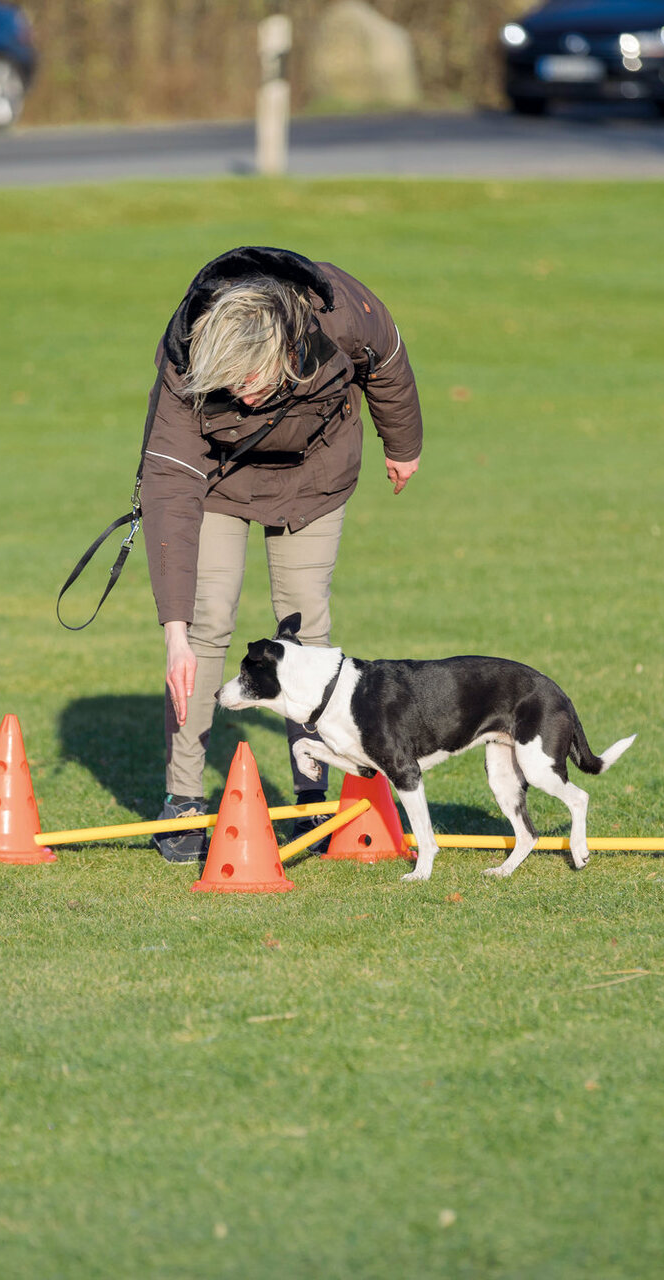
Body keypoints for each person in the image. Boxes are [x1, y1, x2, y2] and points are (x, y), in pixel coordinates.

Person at [139, 246, 423, 862]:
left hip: (315, 474)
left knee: (304, 621)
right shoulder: (186, 358)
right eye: (227, 384)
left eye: (251, 381)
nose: (240, 397)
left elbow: (389, 361)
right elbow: (168, 484)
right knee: (207, 619)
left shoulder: (341, 310)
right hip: (218, 481)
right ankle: (183, 798)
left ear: (283, 352)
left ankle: (309, 792)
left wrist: (402, 444)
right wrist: (174, 631)